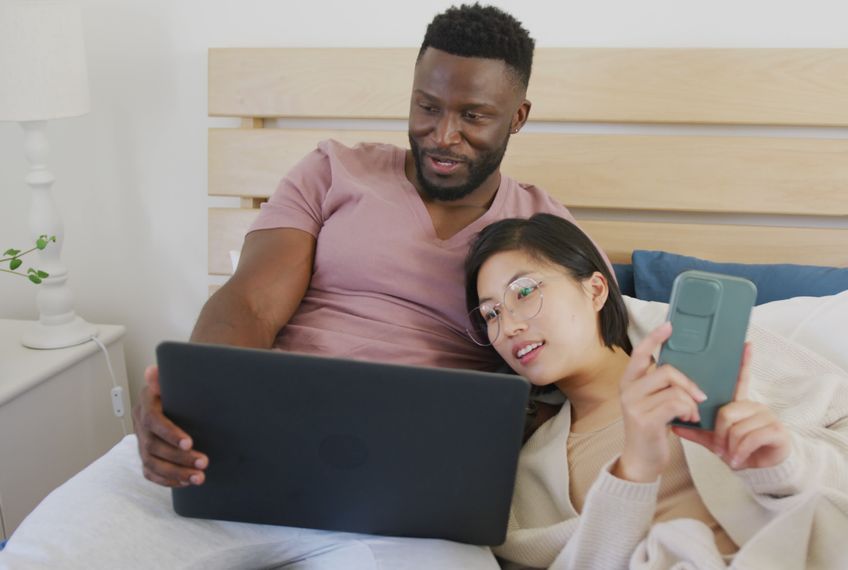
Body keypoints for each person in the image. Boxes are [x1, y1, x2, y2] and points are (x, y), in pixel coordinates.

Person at [0, 5, 585, 569]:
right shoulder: (334, 169)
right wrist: (195, 405)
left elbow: (594, 358)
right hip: (244, 441)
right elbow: (250, 301)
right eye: (426, 107)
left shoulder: (544, 231)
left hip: (407, 493)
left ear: (518, 116)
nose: (443, 135)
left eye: (474, 116)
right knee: (44, 554)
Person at [464, 213, 848, 570]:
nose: (509, 325)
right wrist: (637, 467)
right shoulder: (526, 473)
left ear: (596, 289)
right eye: (489, 314)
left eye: (524, 292)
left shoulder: (721, 351)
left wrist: (782, 463)